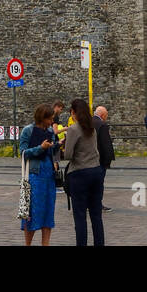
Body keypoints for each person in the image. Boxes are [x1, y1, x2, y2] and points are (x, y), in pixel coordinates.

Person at [60, 99, 105, 245]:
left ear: (73, 112)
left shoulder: (74, 129)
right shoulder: (91, 127)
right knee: (96, 215)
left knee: (80, 216)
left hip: (79, 173)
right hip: (96, 172)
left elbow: (68, 155)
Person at [19, 103, 57, 246]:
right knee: (32, 212)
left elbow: (52, 152)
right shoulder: (28, 131)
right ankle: (27, 244)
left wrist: (55, 148)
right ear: (43, 117)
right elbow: (22, 153)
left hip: (49, 176)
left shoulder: (50, 131)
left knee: (48, 211)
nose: (52, 122)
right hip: (34, 176)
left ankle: (45, 244)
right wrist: (40, 148)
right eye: (50, 119)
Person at [92, 106, 115, 212]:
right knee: (99, 183)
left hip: (90, 158)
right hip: (100, 159)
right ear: (102, 115)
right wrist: (108, 160)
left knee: (91, 183)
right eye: (106, 115)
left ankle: (90, 203)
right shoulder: (102, 125)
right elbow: (106, 144)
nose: (106, 117)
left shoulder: (89, 122)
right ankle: (97, 204)